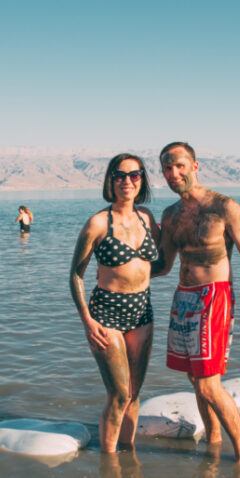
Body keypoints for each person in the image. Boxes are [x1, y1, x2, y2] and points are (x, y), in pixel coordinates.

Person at [153, 142, 240, 465]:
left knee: (208, 384)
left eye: (179, 166)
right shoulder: (170, 215)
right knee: (194, 380)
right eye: (167, 168)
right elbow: (164, 265)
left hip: (214, 297)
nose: (173, 173)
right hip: (183, 299)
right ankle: (213, 440)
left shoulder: (223, 207)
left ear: (195, 166)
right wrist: (121, 274)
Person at [70, 154, 160, 453]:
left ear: (142, 180)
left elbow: (159, 262)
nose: (127, 181)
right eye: (120, 175)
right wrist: (87, 320)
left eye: (134, 175)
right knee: (119, 393)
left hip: (142, 312)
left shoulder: (147, 218)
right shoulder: (97, 223)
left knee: (134, 393)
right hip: (105, 314)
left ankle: (128, 453)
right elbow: (75, 276)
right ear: (110, 180)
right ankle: (108, 463)